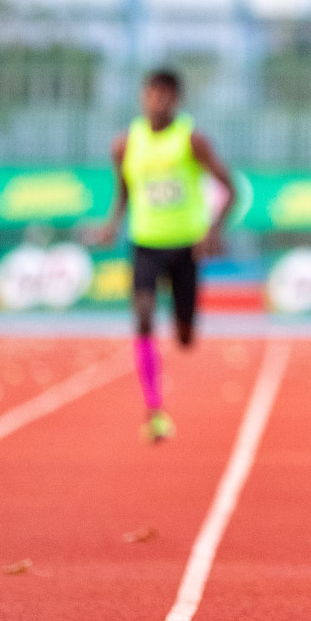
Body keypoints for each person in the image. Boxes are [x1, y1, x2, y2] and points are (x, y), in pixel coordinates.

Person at [97, 68, 236, 442]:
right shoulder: (125, 145)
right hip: (145, 244)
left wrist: (212, 232)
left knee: (185, 335)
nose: (157, 100)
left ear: (176, 99)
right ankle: (154, 409)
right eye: (151, 93)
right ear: (143, 96)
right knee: (142, 317)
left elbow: (230, 188)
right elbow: (125, 189)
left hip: (186, 247)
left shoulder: (192, 141)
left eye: (165, 94)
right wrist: (113, 224)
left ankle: (185, 321)